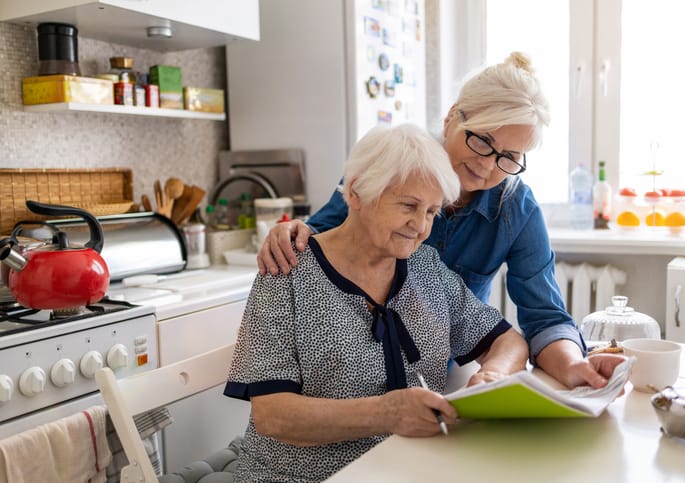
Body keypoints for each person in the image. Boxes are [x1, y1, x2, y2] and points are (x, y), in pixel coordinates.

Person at [257, 52, 626, 390]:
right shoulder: (391, 165)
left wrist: (574, 365)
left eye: (508, 156)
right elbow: (322, 238)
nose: (486, 165)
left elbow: (544, 317)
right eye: (482, 140)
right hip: (349, 375)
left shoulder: (516, 208)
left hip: (438, 375)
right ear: (453, 117)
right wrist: (291, 231)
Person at [224, 124, 528, 482]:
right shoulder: (288, 270)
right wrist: (387, 413)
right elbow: (273, 415)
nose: (420, 226)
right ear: (356, 193)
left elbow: (508, 340)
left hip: (407, 470)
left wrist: (492, 375)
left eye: (431, 212)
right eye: (408, 206)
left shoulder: (425, 267)